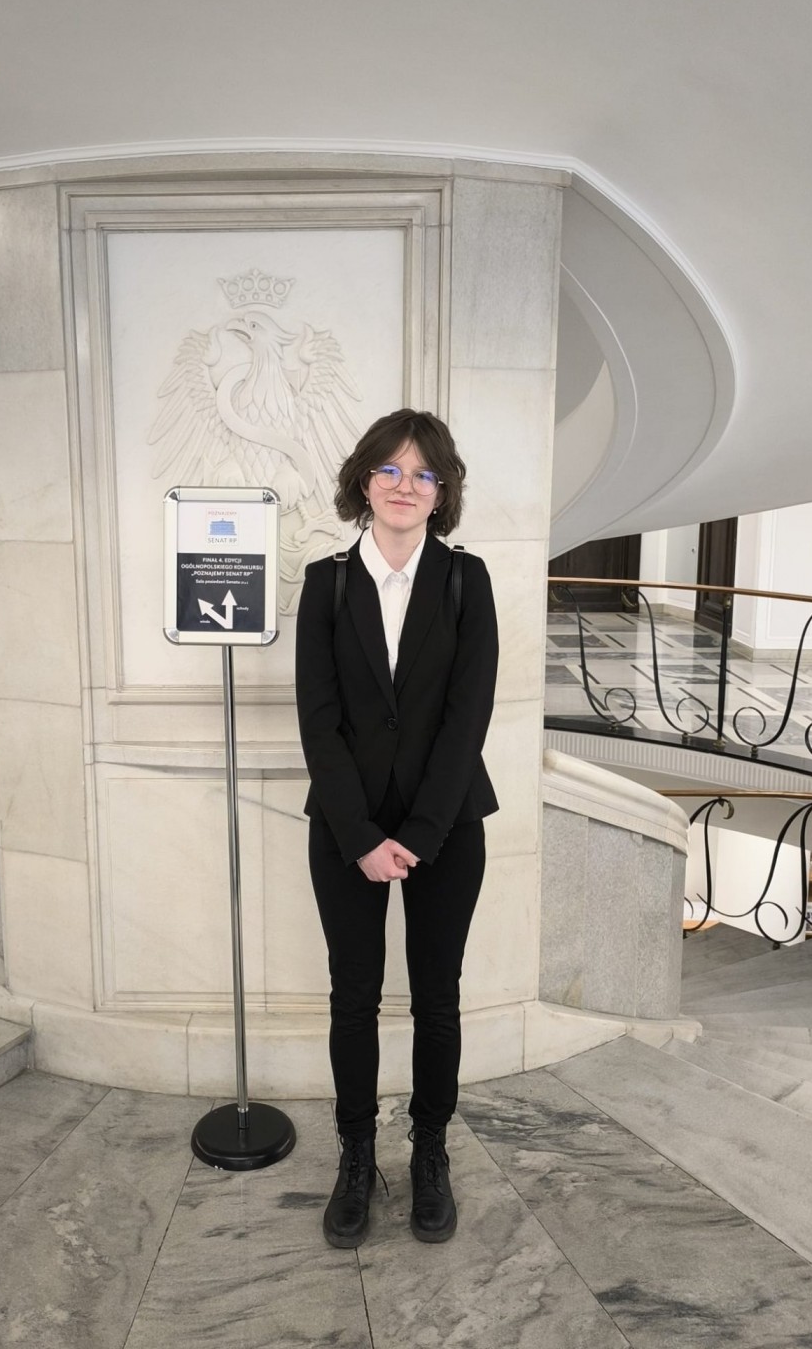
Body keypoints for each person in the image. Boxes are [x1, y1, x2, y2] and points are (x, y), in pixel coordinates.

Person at [295, 408, 499, 1248]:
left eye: (423, 473)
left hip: (446, 824)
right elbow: (319, 720)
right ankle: (355, 1156)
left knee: (437, 999)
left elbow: (467, 716)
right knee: (353, 998)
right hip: (346, 828)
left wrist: (417, 833)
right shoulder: (328, 582)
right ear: (364, 481)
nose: (404, 485)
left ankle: (430, 1153)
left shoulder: (466, 580)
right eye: (389, 469)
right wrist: (359, 835)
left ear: (441, 492)